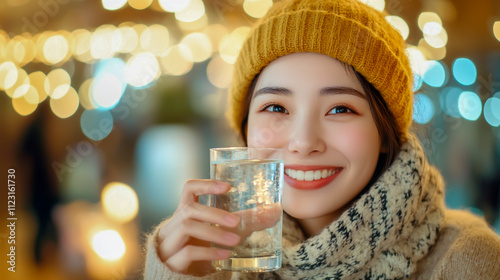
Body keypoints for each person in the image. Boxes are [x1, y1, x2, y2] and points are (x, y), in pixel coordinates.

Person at [143, 0, 500, 279]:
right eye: (276, 108)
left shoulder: (465, 260)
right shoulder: (212, 259)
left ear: (387, 135)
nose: (303, 141)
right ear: (245, 129)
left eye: (340, 109)